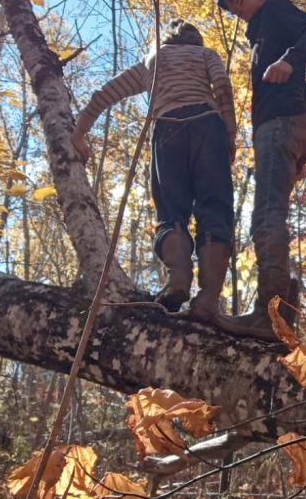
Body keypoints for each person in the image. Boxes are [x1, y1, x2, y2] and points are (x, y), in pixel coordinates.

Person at [71, 18, 236, 322]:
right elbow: (223, 87)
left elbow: (104, 95)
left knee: (171, 210)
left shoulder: (153, 60)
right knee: (215, 207)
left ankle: (178, 278)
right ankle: (208, 298)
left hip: (167, 128)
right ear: (195, 38)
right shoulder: (206, 55)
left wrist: (79, 134)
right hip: (207, 125)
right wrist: (229, 131)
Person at [213, 0, 306, 338]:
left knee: (264, 217)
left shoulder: (275, 11)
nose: (235, 10)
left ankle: (271, 313)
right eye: (229, 5)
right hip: (283, 127)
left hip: (282, 124)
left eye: (235, 1)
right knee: (267, 214)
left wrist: (289, 61)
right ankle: (283, 313)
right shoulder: (261, 29)